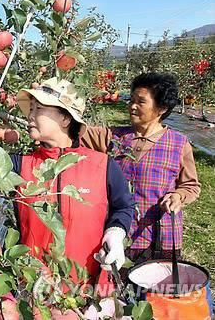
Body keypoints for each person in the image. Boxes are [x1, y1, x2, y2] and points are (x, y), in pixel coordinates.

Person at [0, 77, 135, 291]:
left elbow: (123, 206)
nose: (30, 115)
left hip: (91, 291)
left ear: (65, 119)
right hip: (37, 291)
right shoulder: (20, 165)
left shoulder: (102, 165)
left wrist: (116, 231)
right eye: (31, 109)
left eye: (39, 109)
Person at [81, 72, 201, 264]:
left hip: (159, 239)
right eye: (132, 100)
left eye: (141, 102)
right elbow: (77, 130)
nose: (132, 106)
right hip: (118, 234)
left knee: (155, 291)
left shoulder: (178, 143)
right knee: (118, 289)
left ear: (161, 108)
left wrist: (178, 196)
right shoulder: (114, 137)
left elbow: (191, 185)